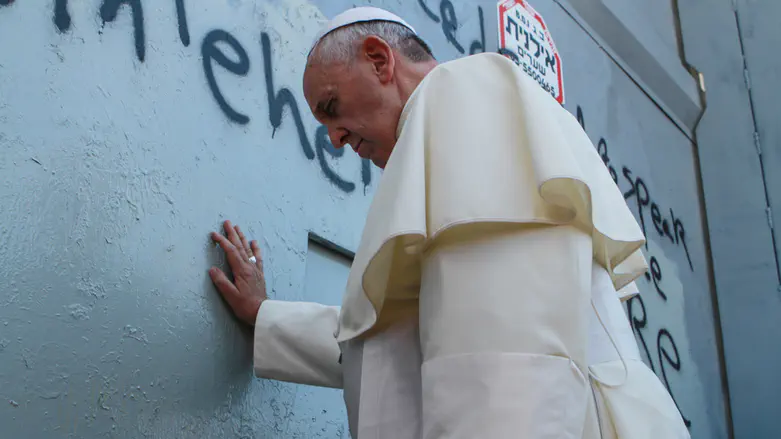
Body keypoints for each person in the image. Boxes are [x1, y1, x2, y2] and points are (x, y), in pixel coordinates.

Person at [207, 6, 690, 439]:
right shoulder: (447, 130)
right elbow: (386, 346)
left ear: (379, 60)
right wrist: (264, 314)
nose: (334, 138)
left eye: (331, 108)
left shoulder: (467, 95)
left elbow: (510, 365)